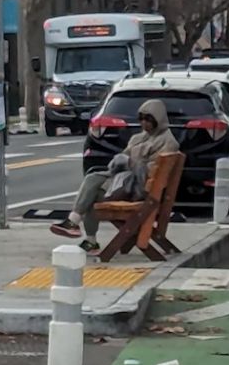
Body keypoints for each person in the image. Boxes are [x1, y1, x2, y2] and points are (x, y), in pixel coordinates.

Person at [50, 98, 179, 252]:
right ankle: (87, 237)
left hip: (138, 189)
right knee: (93, 186)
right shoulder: (138, 138)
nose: (144, 123)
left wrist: (129, 162)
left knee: (92, 186)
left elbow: (151, 171)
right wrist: (119, 162)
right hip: (124, 181)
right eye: (141, 119)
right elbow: (124, 157)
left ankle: (75, 223)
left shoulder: (167, 142)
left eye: (148, 119)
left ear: (159, 119)